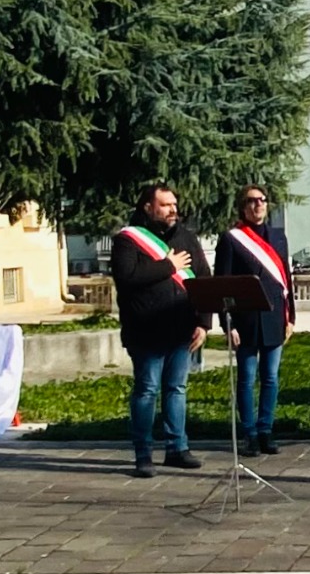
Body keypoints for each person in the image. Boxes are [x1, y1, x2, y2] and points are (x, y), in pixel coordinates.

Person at [111, 182, 211, 478]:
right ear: (148, 207)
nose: (172, 210)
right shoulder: (127, 240)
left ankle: (177, 448)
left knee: (177, 389)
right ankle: (143, 453)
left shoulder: (185, 237)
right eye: (165, 205)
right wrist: (168, 266)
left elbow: (203, 279)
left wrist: (204, 323)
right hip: (146, 331)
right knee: (146, 391)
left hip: (182, 329)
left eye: (174, 205)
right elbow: (127, 277)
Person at [214, 185, 295, 456]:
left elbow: (286, 281)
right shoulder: (231, 238)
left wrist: (290, 316)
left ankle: (265, 430)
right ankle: (249, 432)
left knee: (270, 378)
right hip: (245, 320)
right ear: (243, 206)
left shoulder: (278, 237)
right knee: (247, 379)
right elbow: (222, 285)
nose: (257, 205)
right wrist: (228, 324)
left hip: (274, 317)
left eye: (261, 200)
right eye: (251, 201)